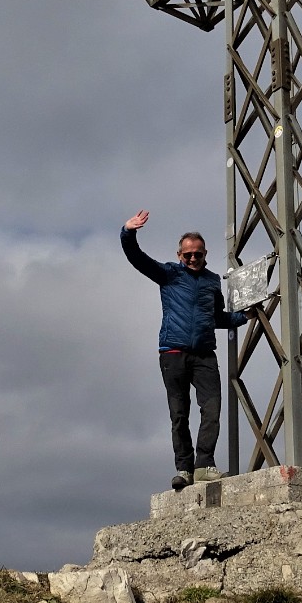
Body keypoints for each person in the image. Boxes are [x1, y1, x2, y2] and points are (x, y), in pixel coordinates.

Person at [121, 209, 249, 491]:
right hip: (173, 352)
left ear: (206, 254)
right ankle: (184, 468)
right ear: (179, 255)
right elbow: (137, 259)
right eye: (187, 254)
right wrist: (128, 232)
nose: (193, 258)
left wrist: (244, 316)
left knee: (212, 409)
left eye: (198, 254)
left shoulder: (212, 281)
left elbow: (217, 318)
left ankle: (204, 466)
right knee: (179, 414)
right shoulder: (169, 274)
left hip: (204, 354)